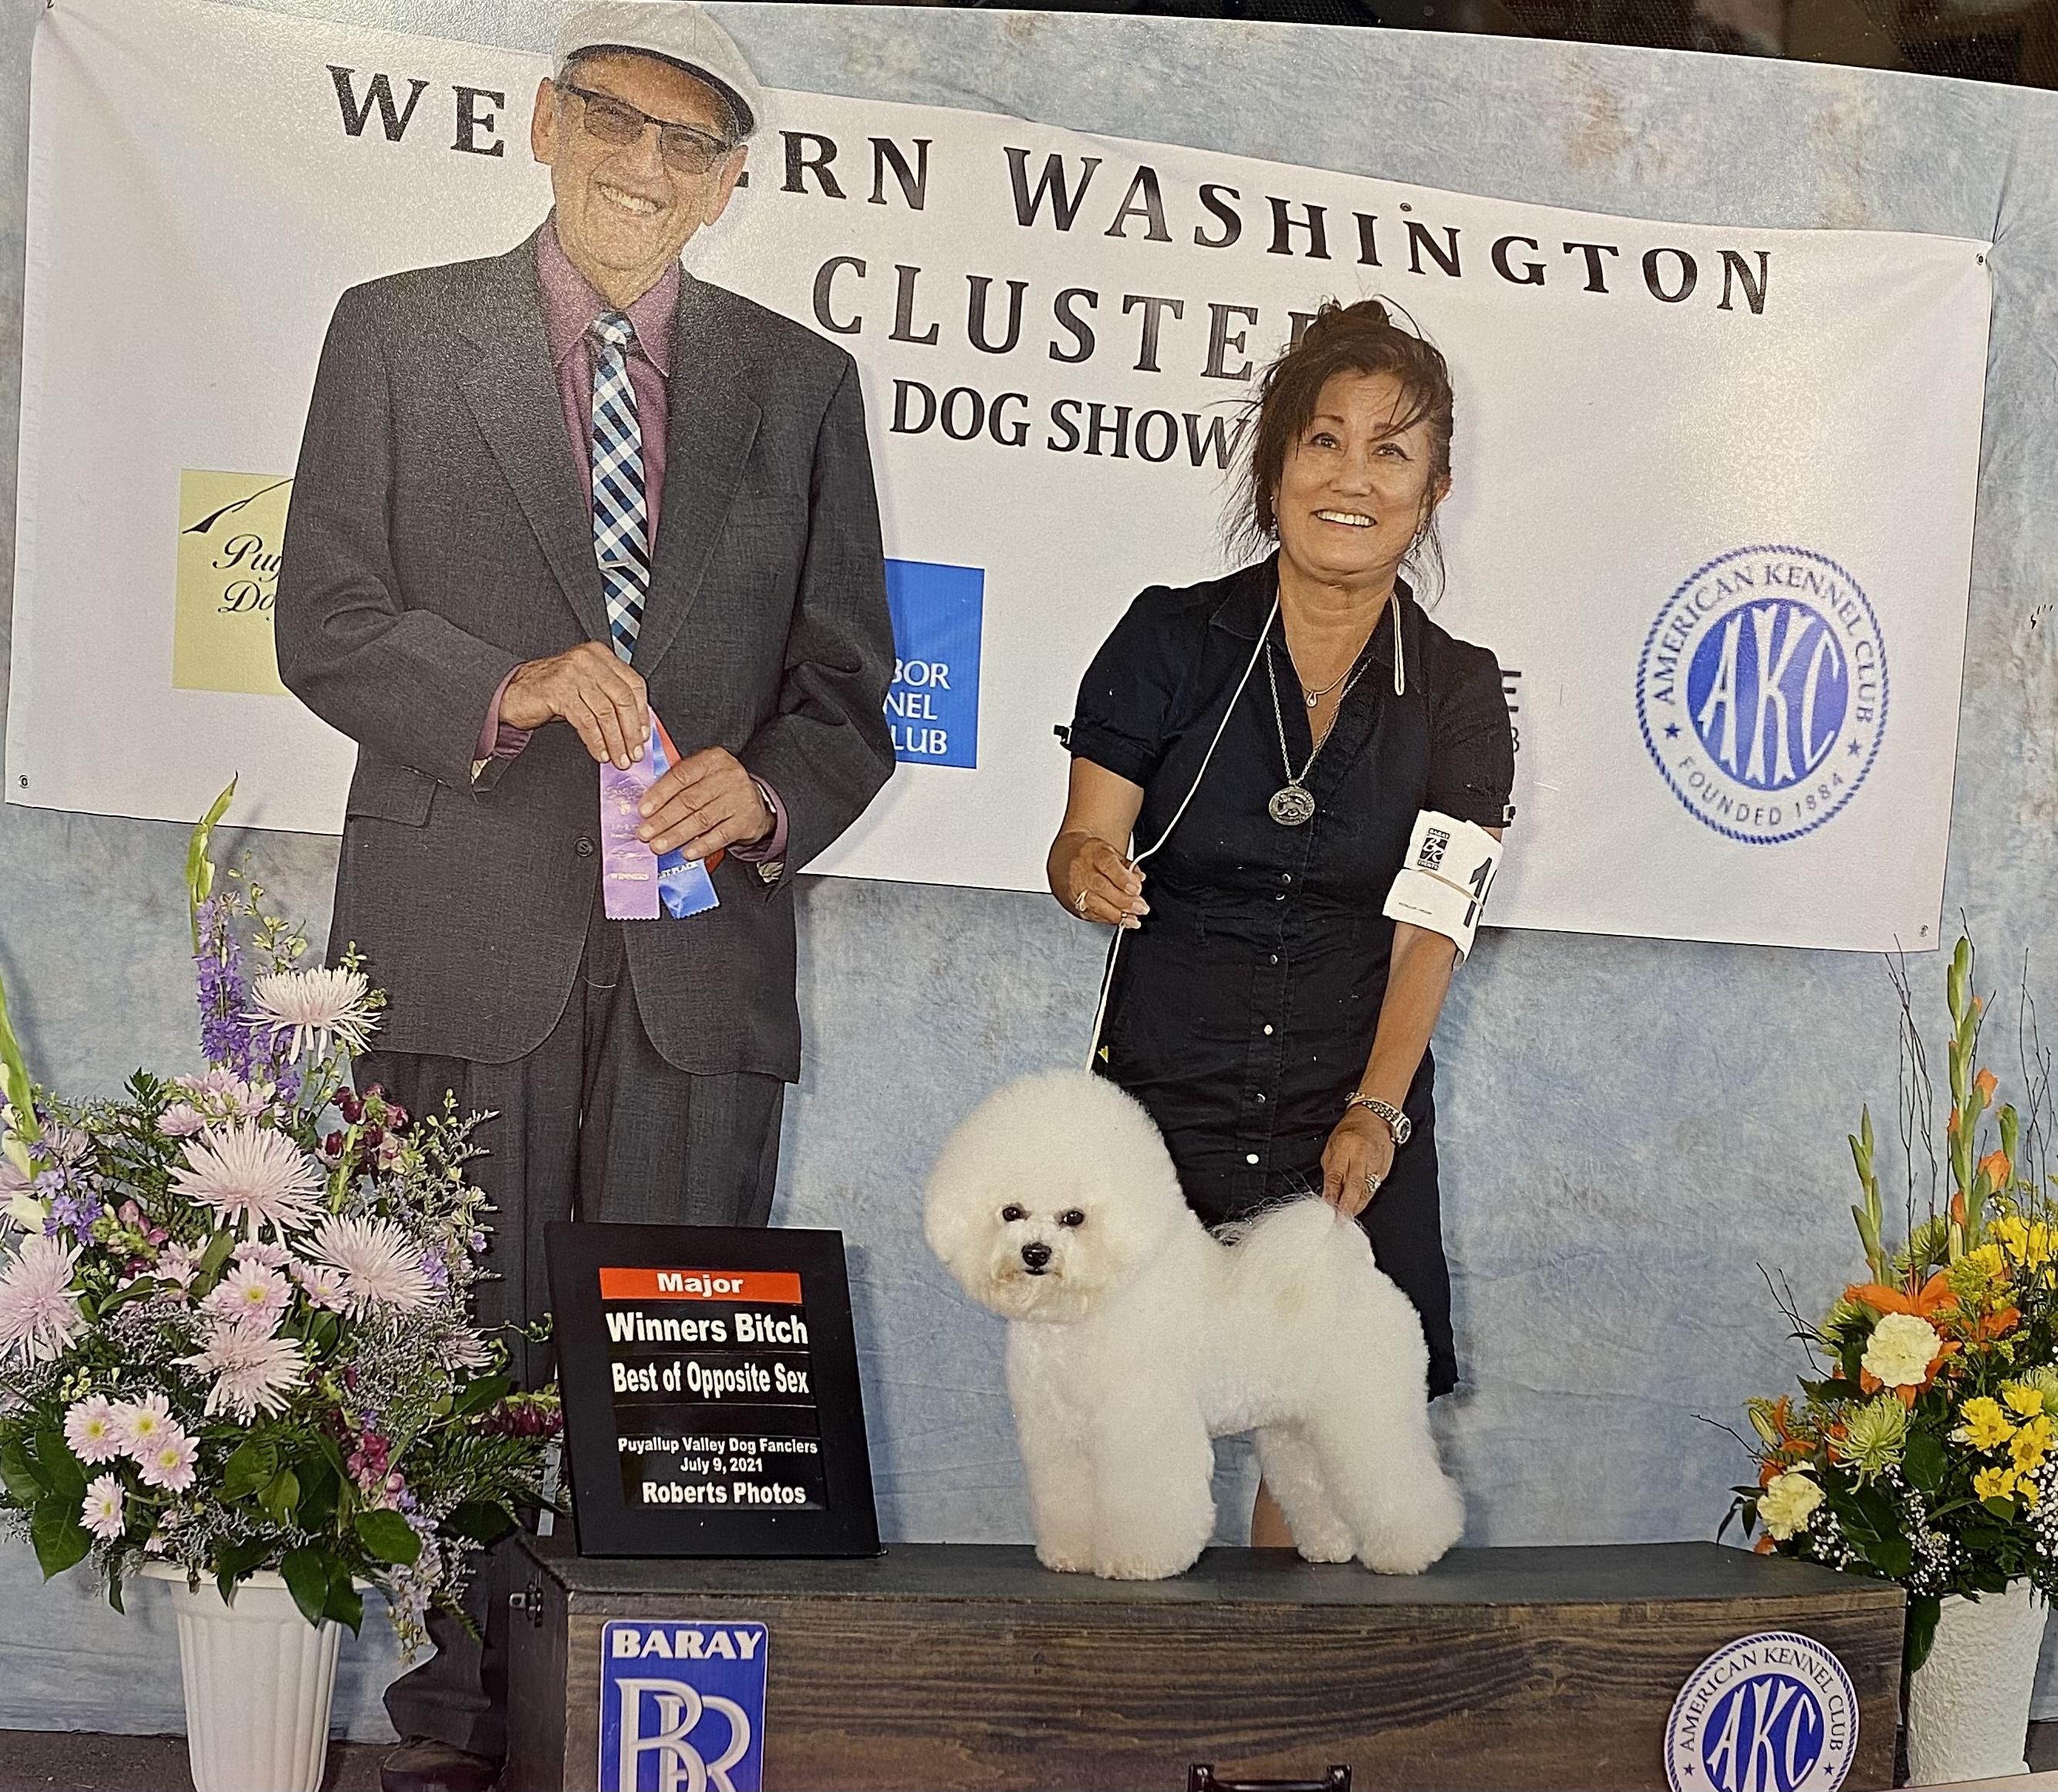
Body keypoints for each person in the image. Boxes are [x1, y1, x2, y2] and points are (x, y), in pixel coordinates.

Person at [274, 5, 895, 1787]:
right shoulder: (397, 333)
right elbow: (324, 619)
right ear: (543, 125)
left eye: (689, 142)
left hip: (699, 964)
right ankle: (461, 1725)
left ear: (729, 186)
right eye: (614, 118)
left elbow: (848, 688)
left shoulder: (800, 385)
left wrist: (762, 790)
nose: (645, 162)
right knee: (452, 1354)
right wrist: (510, 683)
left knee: (678, 1369)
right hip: (462, 934)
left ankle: (649, 1733)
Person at [1048, 299, 1514, 1546]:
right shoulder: (1168, 636)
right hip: (1166, 1097)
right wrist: (1089, 869)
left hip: (1351, 1097)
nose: (1352, 478)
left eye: (1390, 452)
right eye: (1324, 442)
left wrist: (1376, 1111)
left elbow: (1432, 929)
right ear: (1274, 469)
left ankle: (1293, 1659)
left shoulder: (1460, 691)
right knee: (1128, 1416)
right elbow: (1081, 840)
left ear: (1434, 491)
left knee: (1324, 1449)